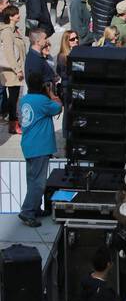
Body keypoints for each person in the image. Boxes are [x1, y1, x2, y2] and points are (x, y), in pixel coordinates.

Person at [17, 74, 62, 227]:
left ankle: (35, 209)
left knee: (32, 180)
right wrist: (50, 93)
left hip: (28, 145)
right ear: (43, 86)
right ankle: (27, 212)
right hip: (40, 146)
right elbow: (58, 107)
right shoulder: (43, 101)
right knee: (39, 183)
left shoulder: (24, 100)